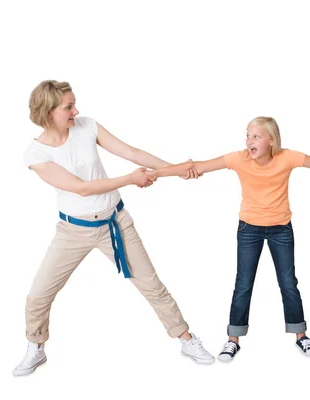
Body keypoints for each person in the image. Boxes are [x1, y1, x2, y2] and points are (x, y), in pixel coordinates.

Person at [14, 80, 214, 376]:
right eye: (69, 107)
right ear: (48, 112)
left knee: (151, 284)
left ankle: (185, 339)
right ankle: (36, 346)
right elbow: (82, 188)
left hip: (115, 223)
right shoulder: (36, 154)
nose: (76, 110)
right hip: (72, 232)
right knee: (38, 296)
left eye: (74, 104)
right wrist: (130, 180)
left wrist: (174, 170)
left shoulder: (87, 126)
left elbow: (132, 153)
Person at [150, 116, 310, 362]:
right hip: (249, 229)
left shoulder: (287, 157)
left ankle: (300, 335)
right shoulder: (239, 159)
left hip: (281, 229)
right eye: (247, 135)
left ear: (271, 140)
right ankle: (233, 340)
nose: (249, 141)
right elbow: (199, 166)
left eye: (255, 136)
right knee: (244, 284)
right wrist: (159, 172)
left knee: (288, 282)